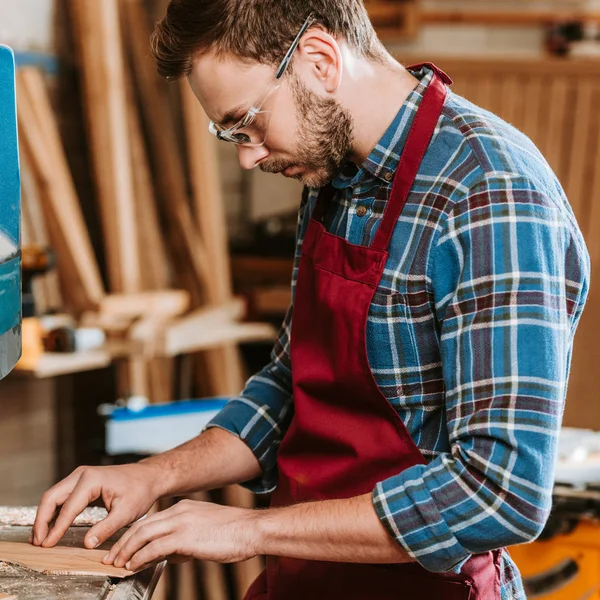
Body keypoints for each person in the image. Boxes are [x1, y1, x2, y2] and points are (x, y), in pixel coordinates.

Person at [32, 1, 590, 598]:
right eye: (231, 135)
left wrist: (252, 530)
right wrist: (154, 475)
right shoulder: (336, 172)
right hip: (309, 580)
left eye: (248, 122)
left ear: (320, 60)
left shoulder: (489, 194)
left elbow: (499, 494)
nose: (249, 155)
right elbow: (292, 383)